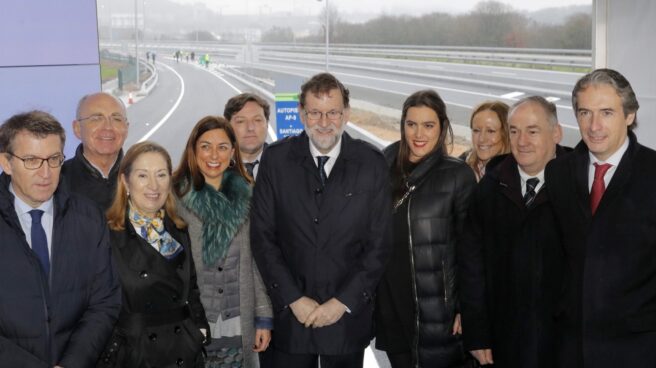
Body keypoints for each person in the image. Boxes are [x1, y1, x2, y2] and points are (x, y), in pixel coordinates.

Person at [250, 72, 393, 368]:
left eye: (333, 112)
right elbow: (263, 238)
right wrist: (294, 299)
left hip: (347, 319)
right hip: (291, 317)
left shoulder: (372, 163)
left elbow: (379, 244)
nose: (324, 122)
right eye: (315, 112)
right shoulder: (276, 161)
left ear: (346, 114)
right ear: (302, 114)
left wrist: (342, 303)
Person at [545, 68, 656, 367]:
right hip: (570, 347)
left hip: (638, 349)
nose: (594, 126)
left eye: (606, 112)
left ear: (629, 115)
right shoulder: (558, 173)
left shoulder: (653, 173)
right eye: (585, 113)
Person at [0, 110, 120, 367]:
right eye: (32, 160)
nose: (46, 173)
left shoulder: (88, 217)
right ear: (6, 163)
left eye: (54, 159)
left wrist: (72, 363)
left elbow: (104, 302)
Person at [459, 96, 567, 368]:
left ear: (556, 133)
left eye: (532, 131)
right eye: (515, 131)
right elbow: (472, 266)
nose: (522, 141)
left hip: (566, 341)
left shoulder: (581, 183)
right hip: (505, 340)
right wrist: (477, 332)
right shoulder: (490, 188)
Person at [375, 90, 476, 368]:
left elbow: (472, 250)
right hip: (390, 306)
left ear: (442, 128)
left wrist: (468, 308)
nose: (418, 134)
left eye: (428, 125)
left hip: (436, 311)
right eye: (411, 124)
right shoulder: (383, 165)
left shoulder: (457, 175)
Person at [172, 116, 273, 367]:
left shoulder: (250, 195)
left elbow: (256, 262)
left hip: (238, 324)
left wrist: (263, 317)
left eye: (223, 147)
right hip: (191, 322)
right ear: (193, 151)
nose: (214, 155)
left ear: (233, 152)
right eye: (205, 146)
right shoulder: (174, 197)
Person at [101, 141, 210, 367]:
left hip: (183, 350)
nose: (154, 185)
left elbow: (190, 286)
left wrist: (199, 327)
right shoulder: (106, 235)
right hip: (135, 353)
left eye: (161, 175)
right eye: (143, 176)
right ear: (125, 181)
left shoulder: (177, 228)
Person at [62, 92, 129, 211]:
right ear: (77, 128)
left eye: (117, 119)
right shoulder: (58, 182)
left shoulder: (140, 178)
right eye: (97, 118)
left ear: (126, 128)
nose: (108, 127)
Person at [460, 101, 511, 181]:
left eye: (490, 131)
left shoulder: (516, 177)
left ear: (507, 134)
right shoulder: (462, 164)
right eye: (476, 130)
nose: (481, 139)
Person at [224, 93, 270, 180]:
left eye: (257, 120)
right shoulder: (216, 169)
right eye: (241, 121)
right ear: (227, 126)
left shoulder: (286, 165)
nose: (250, 128)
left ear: (267, 124)